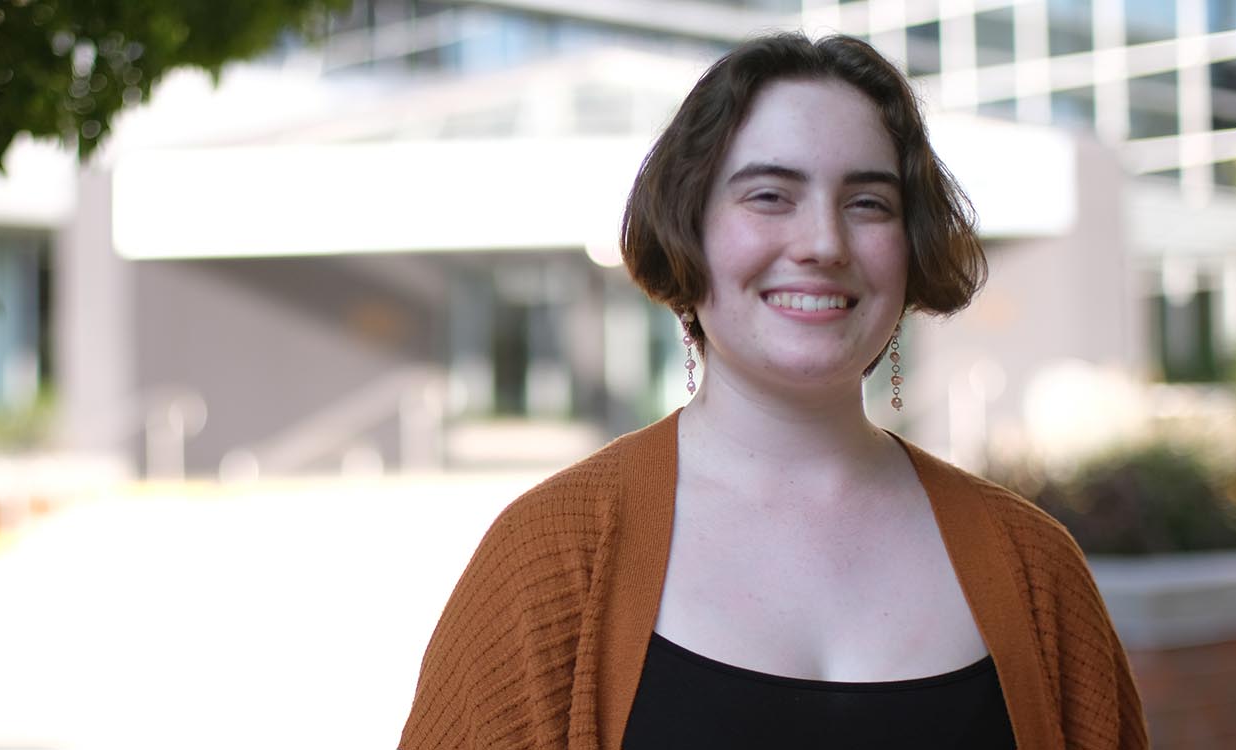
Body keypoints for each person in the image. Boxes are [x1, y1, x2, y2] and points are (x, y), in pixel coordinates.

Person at [399, 31, 1146, 750]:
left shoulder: (1035, 567)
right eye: (769, 196)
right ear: (688, 229)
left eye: (868, 203)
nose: (823, 242)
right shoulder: (549, 561)